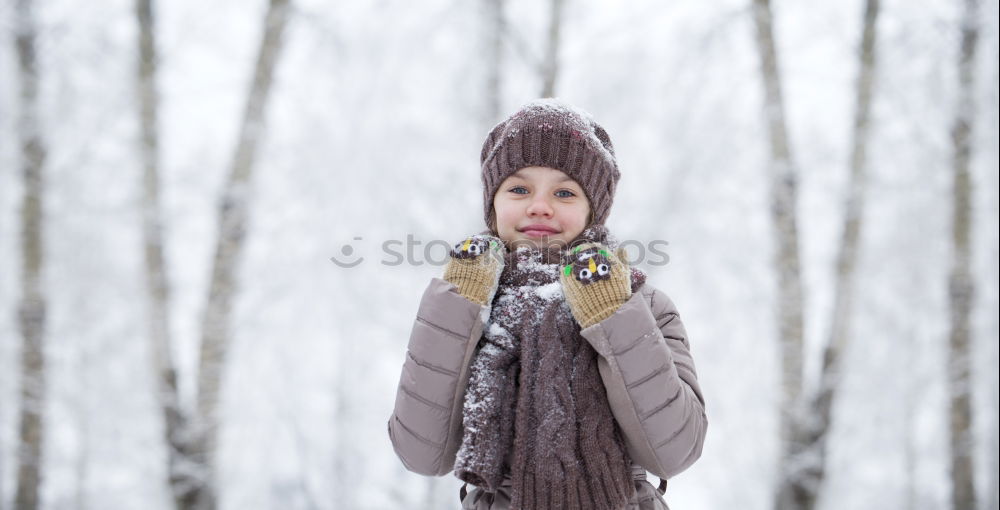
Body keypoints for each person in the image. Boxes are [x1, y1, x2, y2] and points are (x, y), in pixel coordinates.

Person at [387, 98, 707, 510]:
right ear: (494, 204)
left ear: (594, 210)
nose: (540, 205)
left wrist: (610, 312)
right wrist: (460, 304)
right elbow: (421, 453)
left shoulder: (643, 304)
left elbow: (675, 450)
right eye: (519, 189)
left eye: (565, 192)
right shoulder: (466, 302)